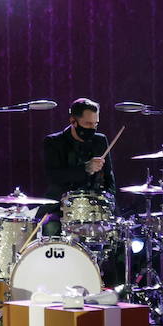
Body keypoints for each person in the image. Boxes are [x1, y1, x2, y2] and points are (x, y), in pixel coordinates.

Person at [42, 97, 116, 234]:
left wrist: (110, 203)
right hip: (61, 208)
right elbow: (54, 176)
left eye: (96, 124)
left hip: (94, 207)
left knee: (118, 235)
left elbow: (109, 177)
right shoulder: (53, 142)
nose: (92, 128)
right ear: (73, 121)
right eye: (88, 124)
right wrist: (85, 169)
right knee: (50, 228)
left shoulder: (100, 140)